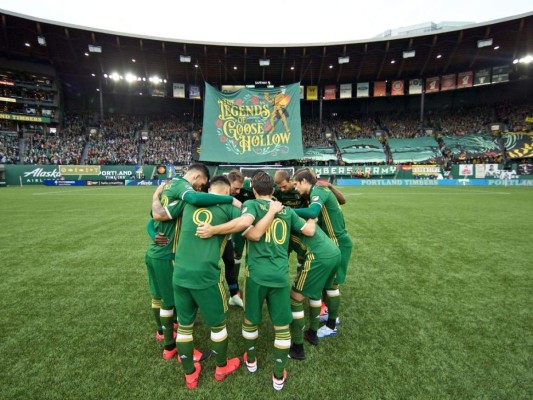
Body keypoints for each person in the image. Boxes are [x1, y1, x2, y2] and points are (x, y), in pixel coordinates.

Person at [196, 171, 316, 391]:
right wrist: (314, 215)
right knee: (282, 327)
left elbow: (247, 228)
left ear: (253, 190)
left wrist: (214, 230)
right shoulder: (286, 210)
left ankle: (250, 360)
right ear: (273, 190)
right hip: (279, 276)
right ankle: (278, 374)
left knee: (250, 320)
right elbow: (309, 229)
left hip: (256, 276)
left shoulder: (250, 205)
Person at [152, 176, 242, 389]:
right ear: (228, 192)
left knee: (184, 325)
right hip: (207, 276)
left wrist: (156, 196)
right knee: (218, 326)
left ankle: (190, 375)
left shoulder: (188, 202)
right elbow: (248, 225)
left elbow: (157, 215)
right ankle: (221, 367)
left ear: (209, 188)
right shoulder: (231, 208)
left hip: (180, 274)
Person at [292, 168, 353, 339]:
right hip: (335, 242)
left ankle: (332, 324)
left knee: (332, 285)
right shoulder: (319, 190)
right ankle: (330, 316)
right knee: (328, 284)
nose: (295, 188)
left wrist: (285, 210)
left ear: (304, 181)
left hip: (338, 242)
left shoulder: (318, 190)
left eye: (296, 184)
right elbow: (342, 200)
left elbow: (312, 213)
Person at [287, 221, 341, 360]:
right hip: (334, 252)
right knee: (316, 292)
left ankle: (298, 349)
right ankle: (313, 333)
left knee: (295, 297)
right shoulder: (295, 214)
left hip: (318, 256)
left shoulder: (280, 218)